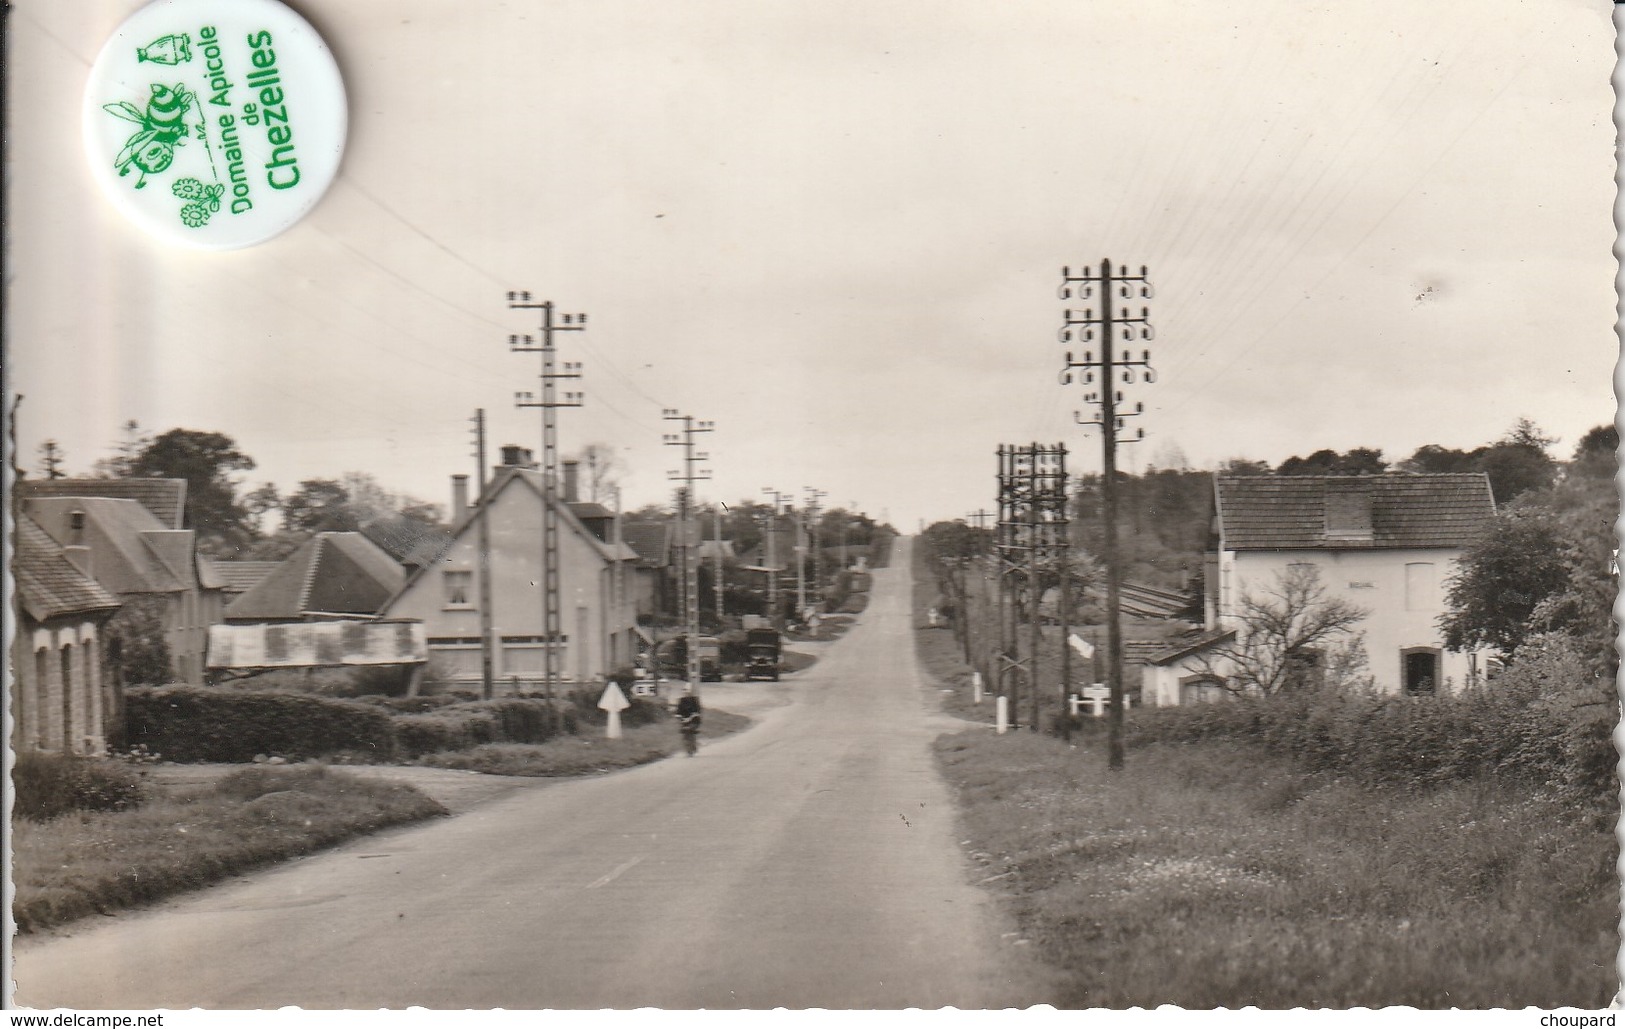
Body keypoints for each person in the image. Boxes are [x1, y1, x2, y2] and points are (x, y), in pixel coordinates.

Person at [675, 691, 702, 757]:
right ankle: (687, 748)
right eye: (685, 692)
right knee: (684, 733)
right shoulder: (681, 701)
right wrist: (678, 716)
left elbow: (697, 711)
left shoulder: (694, 700)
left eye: (688, 692)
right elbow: (678, 711)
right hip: (684, 720)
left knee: (691, 730)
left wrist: (694, 715)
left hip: (694, 720)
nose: (686, 694)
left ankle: (693, 746)